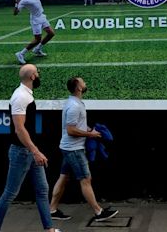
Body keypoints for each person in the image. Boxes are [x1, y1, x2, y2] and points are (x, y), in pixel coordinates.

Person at [0, 64, 62, 232]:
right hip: (22, 153)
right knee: (10, 193)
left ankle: (49, 229)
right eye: (37, 72)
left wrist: (34, 150)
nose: (38, 75)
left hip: (28, 152)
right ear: (32, 77)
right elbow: (19, 129)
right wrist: (35, 151)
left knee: (42, 190)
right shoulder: (21, 97)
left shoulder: (25, 95)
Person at [49, 76, 118, 222]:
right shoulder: (74, 106)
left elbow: (76, 126)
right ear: (79, 88)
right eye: (83, 82)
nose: (85, 83)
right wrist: (89, 134)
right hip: (73, 149)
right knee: (86, 179)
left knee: (64, 177)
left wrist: (89, 130)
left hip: (68, 148)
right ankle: (98, 212)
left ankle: (52, 210)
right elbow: (70, 130)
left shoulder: (75, 103)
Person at [13, 0, 55, 65]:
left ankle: (37, 50)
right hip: (35, 19)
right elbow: (15, 13)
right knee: (37, 39)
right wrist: (16, 4)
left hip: (42, 16)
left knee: (51, 34)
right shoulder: (22, 1)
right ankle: (21, 54)